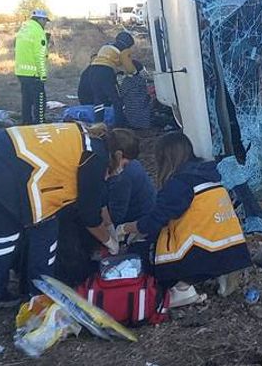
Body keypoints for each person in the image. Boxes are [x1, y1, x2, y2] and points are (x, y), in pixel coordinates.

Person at [0, 123, 123, 311]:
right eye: (123, 164)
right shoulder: (96, 156)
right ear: (118, 155)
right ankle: (38, 298)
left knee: (5, 232)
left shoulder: (82, 134)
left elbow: (94, 197)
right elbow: (88, 214)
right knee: (45, 230)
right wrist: (110, 241)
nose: (120, 170)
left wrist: (107, 223)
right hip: (13, 167)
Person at [117, 132, 251, 307]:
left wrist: (125, 228)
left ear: (165, 158)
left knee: (145, 252)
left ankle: (182, 287)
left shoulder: (179, 184)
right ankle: (220, 272)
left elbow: (154, 222)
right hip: (233, 248)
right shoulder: (210, 174)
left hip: (202, 251)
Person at [83, 31, 137, 126]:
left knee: (99, 99)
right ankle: (119, 125)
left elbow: (99, 58)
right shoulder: (124, 50)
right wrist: (135, 73)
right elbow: (129, 67)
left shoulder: (106, 46)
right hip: (106, 72)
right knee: (116, 100)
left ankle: (98, 124)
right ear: (129, 43)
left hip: (92, 70)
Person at [104, 129, 155, 225]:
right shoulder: (132, 163)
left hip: (137, 222)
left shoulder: (121, 178)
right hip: (146, 212)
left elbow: (114, 216)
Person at [15, 9, 49, 125]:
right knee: (40, 100)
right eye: (45, 21)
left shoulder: (23, 29)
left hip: (21, 71)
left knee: (26, 100)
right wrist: (43, 74)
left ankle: (26, 122)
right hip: (34, 73)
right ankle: (40, 123)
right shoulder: (38, 32)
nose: (45, 23)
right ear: (40, 19)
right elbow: (39, 56)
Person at [119, 60, 151, 129]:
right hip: (145, 119)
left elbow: (121, 95)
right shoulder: (142, 80)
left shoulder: (127, 81)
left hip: (132, 120)